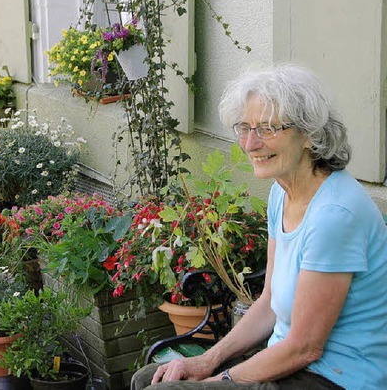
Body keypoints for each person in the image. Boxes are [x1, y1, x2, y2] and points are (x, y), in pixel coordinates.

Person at [132, 64, 387, 389]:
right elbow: (268, 302)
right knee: (148, 379)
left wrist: (219, 380)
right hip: (289, 359)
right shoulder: (283, 194)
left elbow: (306, 348)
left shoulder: (334, 215)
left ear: (309, 134)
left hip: (335, 378)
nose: (250, 144)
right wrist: (205, 361)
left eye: (267, 129)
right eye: (244, 128)